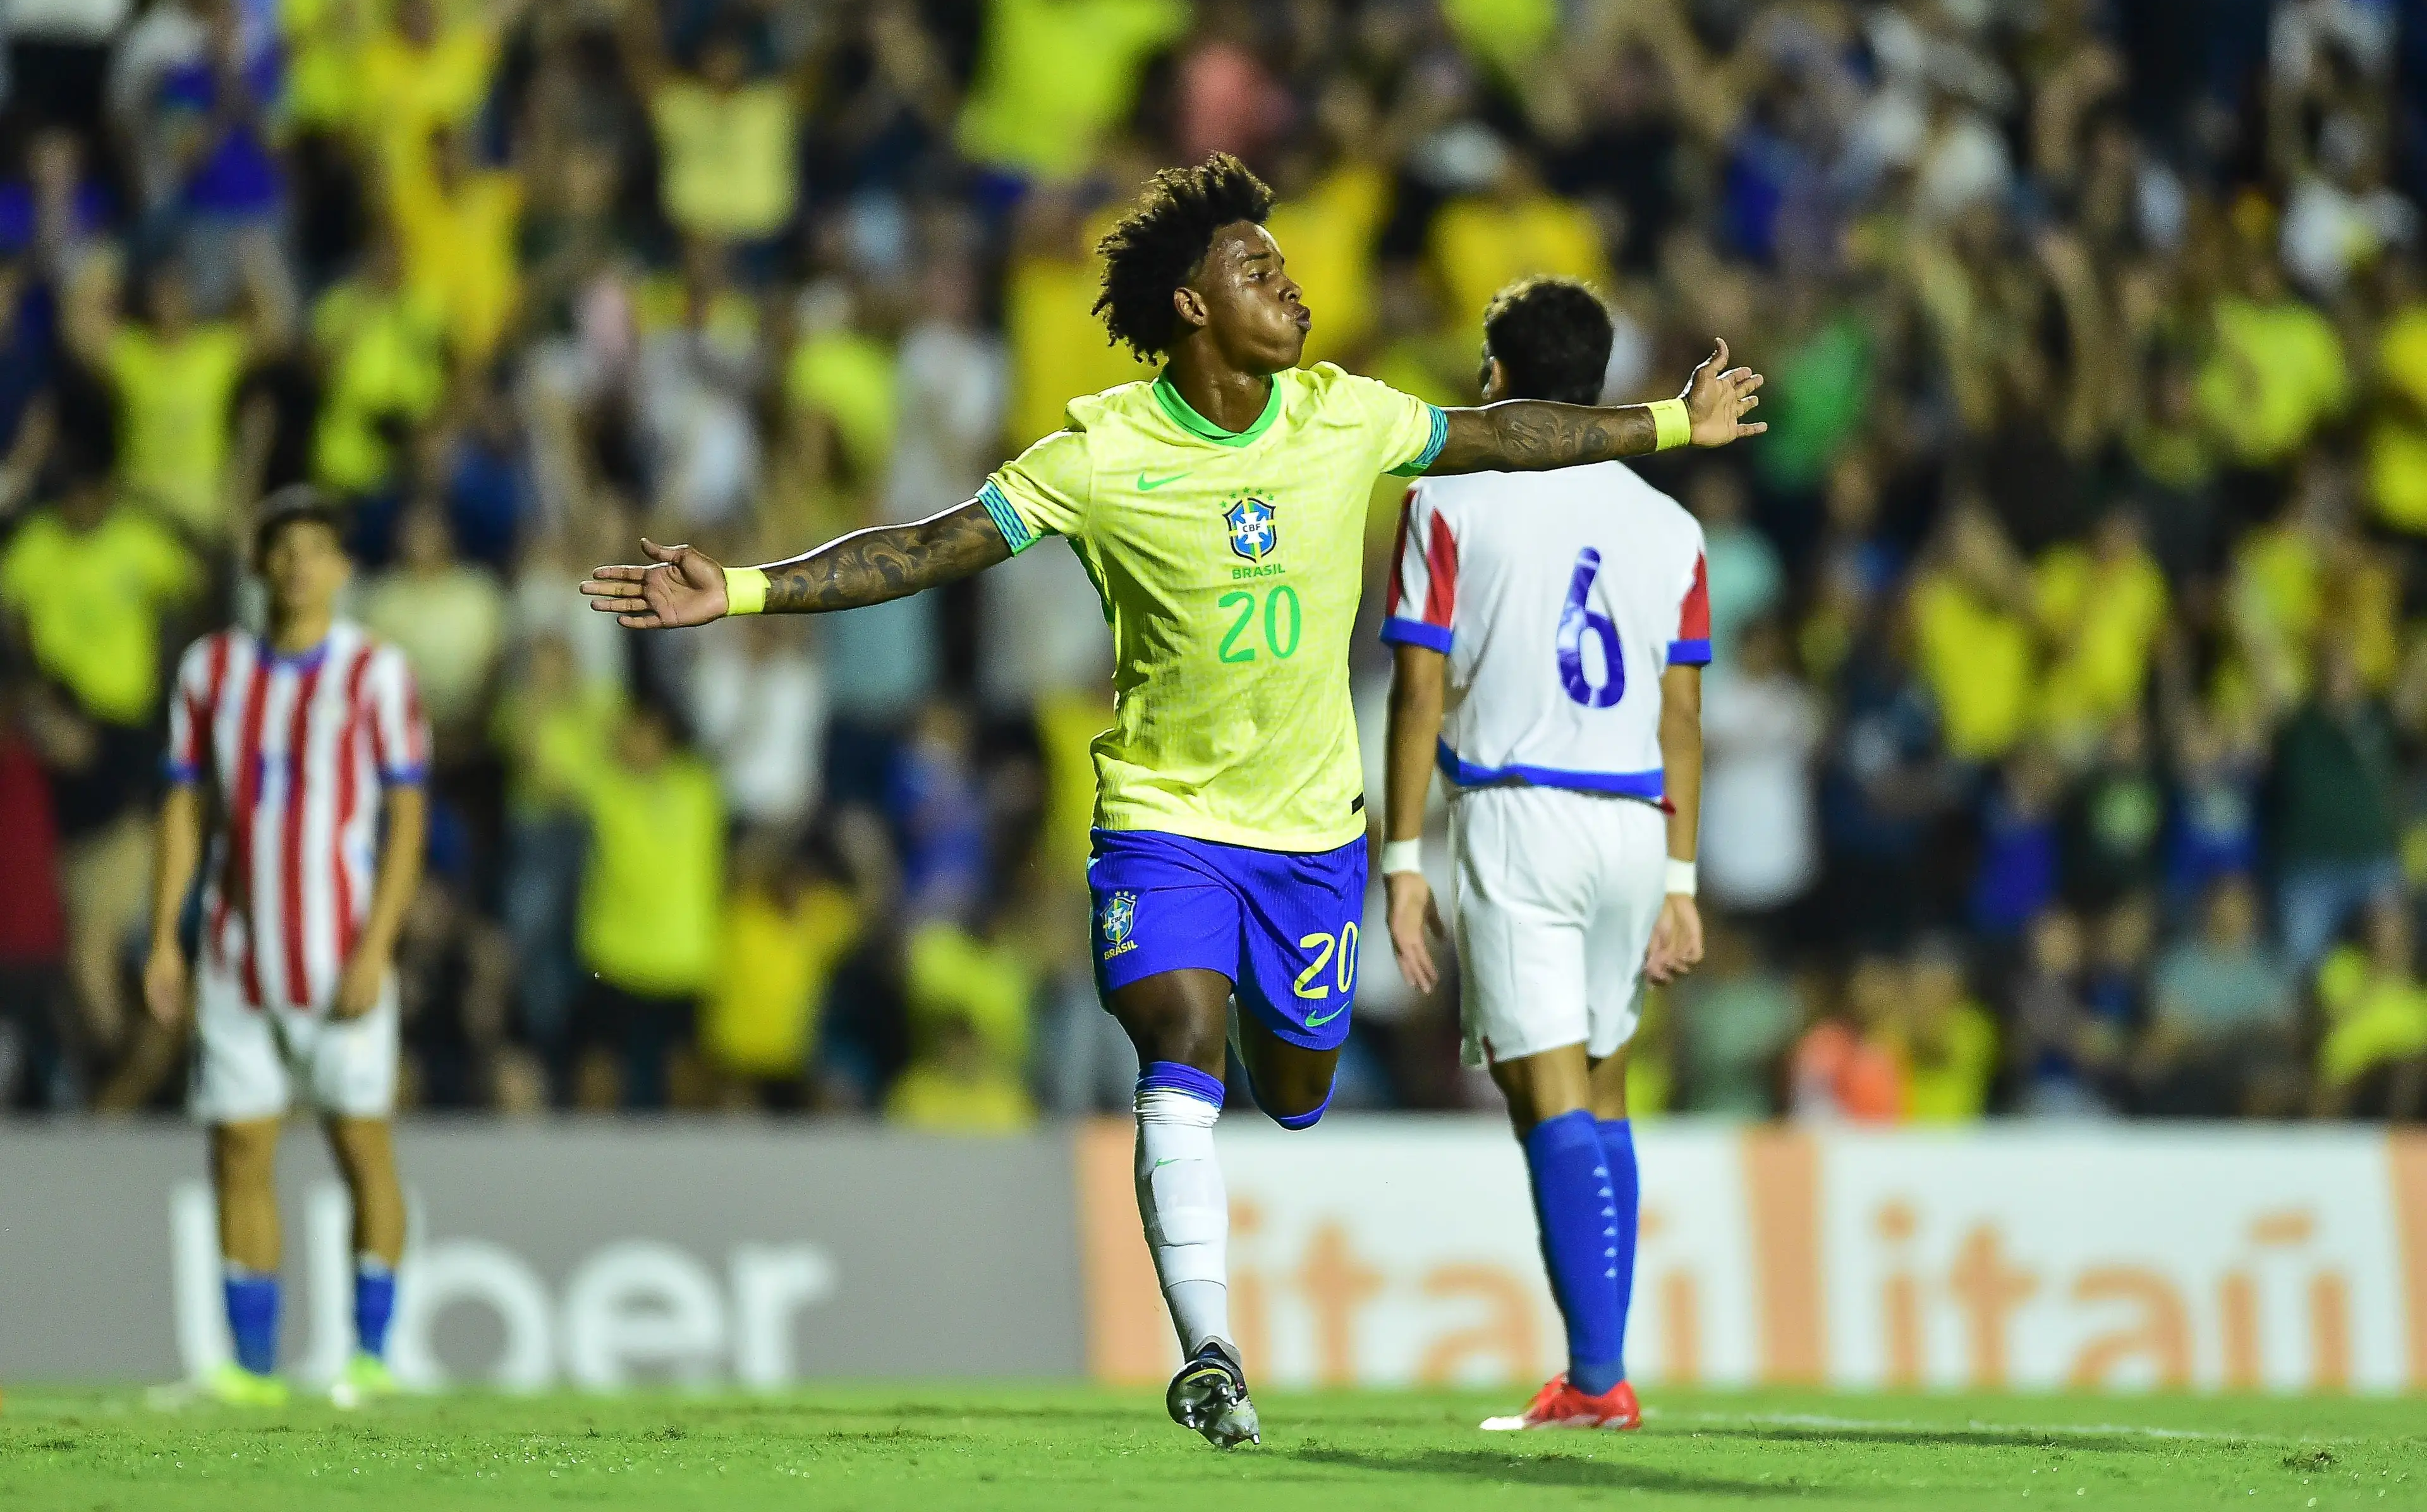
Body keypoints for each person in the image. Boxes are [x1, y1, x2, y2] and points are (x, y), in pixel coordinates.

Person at [581, 154, 1763, 1448]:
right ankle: (1210, 1352)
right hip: (1164, 821)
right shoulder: (1099, 454)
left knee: (1295, 1085)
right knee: (1177, 1040)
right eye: (1257, 271)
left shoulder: (1342, 415)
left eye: (1288, 267)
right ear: (1194, 308)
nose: (1291, 288)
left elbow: (1509, 433)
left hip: (1312, 838)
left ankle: (1276, 1102)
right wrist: (742, 589)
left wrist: (1667, 424)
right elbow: (922, 549)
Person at [1377, 276, 1712, 1432]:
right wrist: (1682, 882)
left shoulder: (1449, 502)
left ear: (1497, 381)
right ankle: (1598, 1369)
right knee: (1604, 1083)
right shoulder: (1672, 528)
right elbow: (1682, 719)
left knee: (1545, 1091)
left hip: (1521, 817)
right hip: (1637, 827)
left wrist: (1401, 858)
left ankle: (1597, 1381)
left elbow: (1418, 688)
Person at [142, 487, 429, 1407]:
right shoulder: (211, 670)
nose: (299, 566)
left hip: (340, 950)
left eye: (317, 550)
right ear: (260, 562)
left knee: (361, 1151)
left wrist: (378, 946)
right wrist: (163, 938)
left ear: (343, 568)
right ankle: (250, 1372)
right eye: (283, 549)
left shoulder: (375, 673)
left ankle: (371, 1357)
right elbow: (185, 807)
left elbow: (407, 817)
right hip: (235, 954)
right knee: (238, 1152)